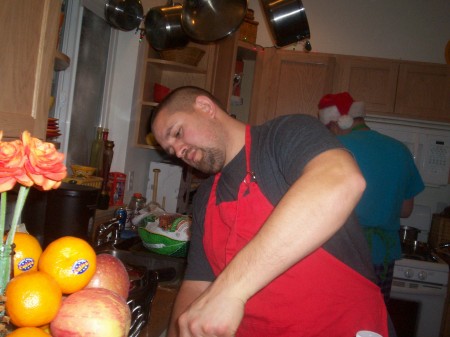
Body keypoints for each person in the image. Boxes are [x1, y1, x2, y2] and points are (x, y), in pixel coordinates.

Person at [151, 86, 394, 337]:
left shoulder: (284, 135)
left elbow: (341, 181)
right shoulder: (204, 198)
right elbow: (196, 286)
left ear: (205, 107)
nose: (179, 151)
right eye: (171, 150)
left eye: (177, 133)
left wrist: (230, 292)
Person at [318, 91, 425, 303]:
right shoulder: (400, 150)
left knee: (335, 318)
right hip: (383, 257)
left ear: (338, 123)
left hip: (342, 252)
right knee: (371, 321)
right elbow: (406, 210)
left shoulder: (334, 150)